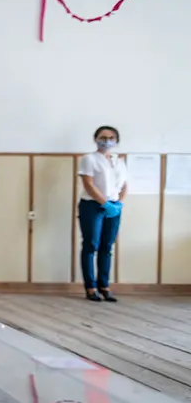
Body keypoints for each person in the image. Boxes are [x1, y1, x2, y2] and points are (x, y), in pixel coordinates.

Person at [77, 125, 127, 303]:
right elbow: (89, 185)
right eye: (103, 137)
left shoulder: (118, 161)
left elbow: (124, 184)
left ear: (116, 140)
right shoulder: (89, 159)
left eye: (111, 137)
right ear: (96, 139)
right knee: (91, 245)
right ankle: (90, 287)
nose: (107, 141)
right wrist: (104, 203)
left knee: (107, 246)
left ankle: (104, 286)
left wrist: (119, 203)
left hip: (114, 206)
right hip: (92, 205)